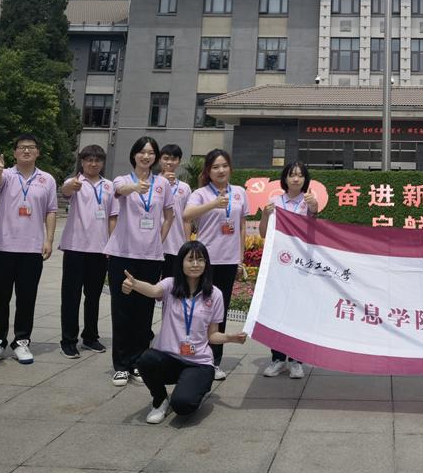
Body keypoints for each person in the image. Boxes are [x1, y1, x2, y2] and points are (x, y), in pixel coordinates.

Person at [121, 241, 248, 423]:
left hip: (198, 363)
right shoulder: (170, 285)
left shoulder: (215, 294)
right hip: (169, 359)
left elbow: (212, 335)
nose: (195, 264)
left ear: (206, 264)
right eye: (190, 260)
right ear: (181, 262)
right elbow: (153, 290)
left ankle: (193, 388)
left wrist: (230, 337)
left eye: (200, 260)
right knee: (147, 360)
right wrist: (134, 284)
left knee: (183, 405)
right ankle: (160, 400)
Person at [0, 134, 58, 367]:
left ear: (38, 152)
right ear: (14, 152)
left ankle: (22, 341)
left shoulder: (47, 179)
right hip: (1, 247)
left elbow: (51, 211)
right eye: (22, 148)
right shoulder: (5, 174)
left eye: (31, 147)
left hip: (31, 249)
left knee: (26, 298)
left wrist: (49, 240)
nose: (26, 151)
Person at [105, 136, 174, 385]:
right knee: (122, 310)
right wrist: (135, 187)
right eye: (142, 152)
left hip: (150, 257)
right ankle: (121, 365)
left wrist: (158, 239)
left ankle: (138, 362)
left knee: (144, 312)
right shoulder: (122, 180)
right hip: (123, 255)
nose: (146, 156)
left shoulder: (162, 184)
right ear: (134, 155)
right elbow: (119, 191)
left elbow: (169, 215)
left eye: (151, 153)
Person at [183, 148, 248, 381]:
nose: (221, 170)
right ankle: (194, 354)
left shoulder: (239, 192)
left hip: (228, 261)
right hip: (205, 261)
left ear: (230, 168)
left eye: (224, 166)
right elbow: (187, 215)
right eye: (215, 167)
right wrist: (212, 204)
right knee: (199, 309)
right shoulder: (200, 193)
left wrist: (240, 259)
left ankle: (215, 360)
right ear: (208, 171)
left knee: (220, 311)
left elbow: (241, 226)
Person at [260, 160, 318, 379]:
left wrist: (314, 209)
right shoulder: (275, 202)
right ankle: (277, 358)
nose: (296, 179)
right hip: (279, 264)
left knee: (298, 311)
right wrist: (265, 215)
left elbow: (314, 230)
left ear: (305, 179)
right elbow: (264, 234)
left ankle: (296, 360)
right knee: (276, 310)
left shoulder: (308, 201)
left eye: (300, 175)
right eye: (292, 174)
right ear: (285, 178)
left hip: (300, 264)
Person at [58, 144, 114, 358]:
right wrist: (71, 186)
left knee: (93, 297)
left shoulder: (109, 186)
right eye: (89, 159)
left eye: (97, 160)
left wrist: (112, 246)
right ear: (82, 162)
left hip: (100, 250)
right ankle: (68, 340)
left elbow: (112, 217)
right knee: (70, 296)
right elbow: (65, 191)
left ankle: (90, 337)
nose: (93, 163)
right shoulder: (75, 182)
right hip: (75, 248)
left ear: (102, 163)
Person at [157, 143, 194, 280]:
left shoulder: (185, 188)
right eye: (166, 158)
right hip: (153, 243)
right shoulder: (151, 184)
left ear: (178, 161)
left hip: (176, 245)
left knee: (171, 285)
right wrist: (162, 181)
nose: (169, 162)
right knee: (149, 284)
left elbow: (187, 218)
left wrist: (187, 243)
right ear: (159, 160)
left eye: (173, 159)